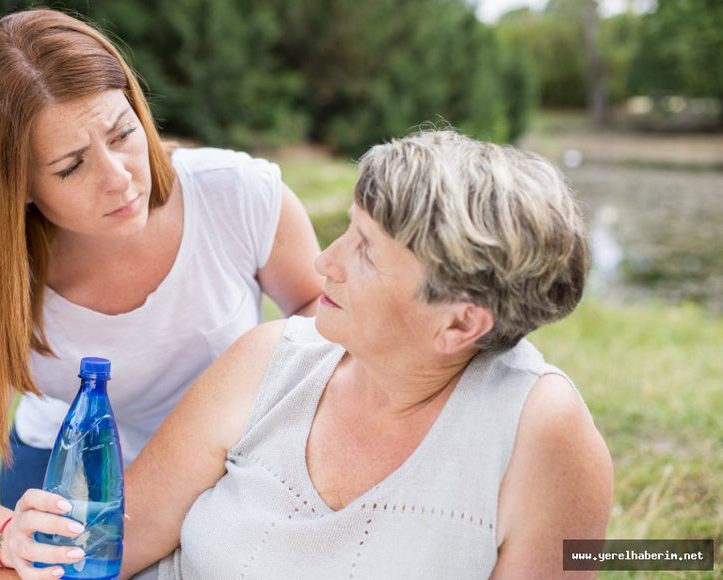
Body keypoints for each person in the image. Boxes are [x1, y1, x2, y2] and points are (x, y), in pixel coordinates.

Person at [0, 8, 321, 579]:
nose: (119, 176)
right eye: (71, 166)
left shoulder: (237, 195)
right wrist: (6, 538)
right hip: (66, 481)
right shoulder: (9, 282)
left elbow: (329, 326)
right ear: (15, 186)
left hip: (225, 467)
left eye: (123, 133)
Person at [114, 130, 614, 579]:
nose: (324, 262)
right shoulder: (268, 359)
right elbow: (107, 548)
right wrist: (40, 548)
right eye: (349, 230)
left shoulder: (543, 433)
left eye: (366, 251)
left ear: (460, 323)